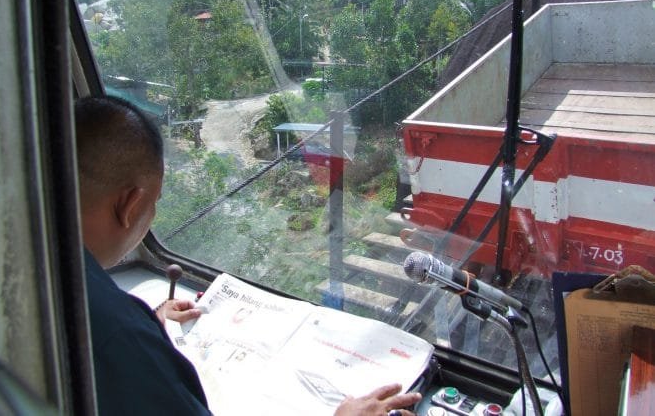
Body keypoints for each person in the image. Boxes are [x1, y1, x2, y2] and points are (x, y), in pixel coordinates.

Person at [76, 95, 422, 415]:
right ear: (129, 205)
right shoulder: (119, 340)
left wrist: (149, 320)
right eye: (155, 202)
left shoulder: (56, 275)